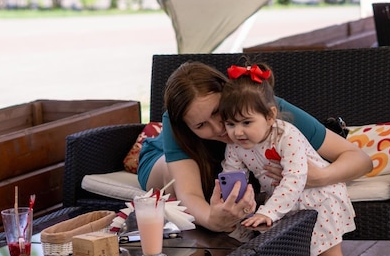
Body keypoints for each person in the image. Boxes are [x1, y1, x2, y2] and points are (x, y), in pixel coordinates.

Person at [137, 60, 372, 233]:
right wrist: (211, 219)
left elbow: (360, 159)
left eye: (219, 112)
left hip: (229, 168)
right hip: (162, 160)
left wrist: (320, 176)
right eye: (201, 125)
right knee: (175, 180)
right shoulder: (175, 123)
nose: (219, 128)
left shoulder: (267, 112)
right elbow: (189, 192)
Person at [219, 62, 355, 256]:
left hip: (318, 197)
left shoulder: (285, 135)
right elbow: (232, 176)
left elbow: (295, 177)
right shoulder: (235, 145)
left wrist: (269, 211)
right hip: (282, 200)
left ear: (269, 116)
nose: (237, 132)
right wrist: (233, 202)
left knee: (327, 251)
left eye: (246, 122)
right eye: (230, 124)